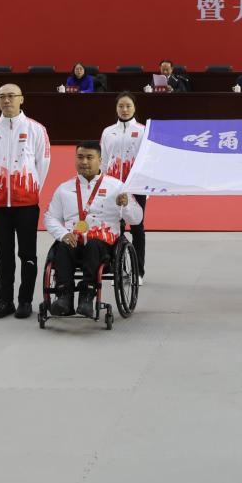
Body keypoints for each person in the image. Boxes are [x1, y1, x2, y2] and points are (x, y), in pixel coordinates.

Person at [43, 140, 143, 316]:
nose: (84, 162)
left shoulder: (117, 187)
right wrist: (63, 234)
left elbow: (136, 219)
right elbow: (50, 217)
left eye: (89, 157)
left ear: (100, 160)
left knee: (93, 245)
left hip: (103, 245)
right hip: (74, 240)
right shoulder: (64, 188)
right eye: (80, 157)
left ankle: (87, 297)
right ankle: (64, 296)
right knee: (62, 247)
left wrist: (126, 205)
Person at [0, 83, 51, 320]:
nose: (6, 100)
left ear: (22, 99)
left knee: (27, 253)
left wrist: (29, 189)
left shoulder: (36, 129)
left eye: (11, 96)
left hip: (26, 203)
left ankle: (25, 300)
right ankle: (5, 301)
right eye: (2, 97)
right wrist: (0, 187)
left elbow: (43, 164)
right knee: (4, 255)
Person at [102, 92, 149, 284]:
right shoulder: (108, 132)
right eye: (121, 106)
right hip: (113, 186)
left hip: (136, 187)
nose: (124, 109)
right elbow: (104, 160)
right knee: (115, 227)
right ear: (116, 108)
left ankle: (138, 272)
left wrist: (147, 188)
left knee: (137, 227)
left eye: (128, 106)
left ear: (134, 108)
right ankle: (118, 270)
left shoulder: (143, 130)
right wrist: (102, 183)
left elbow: (147, 161)